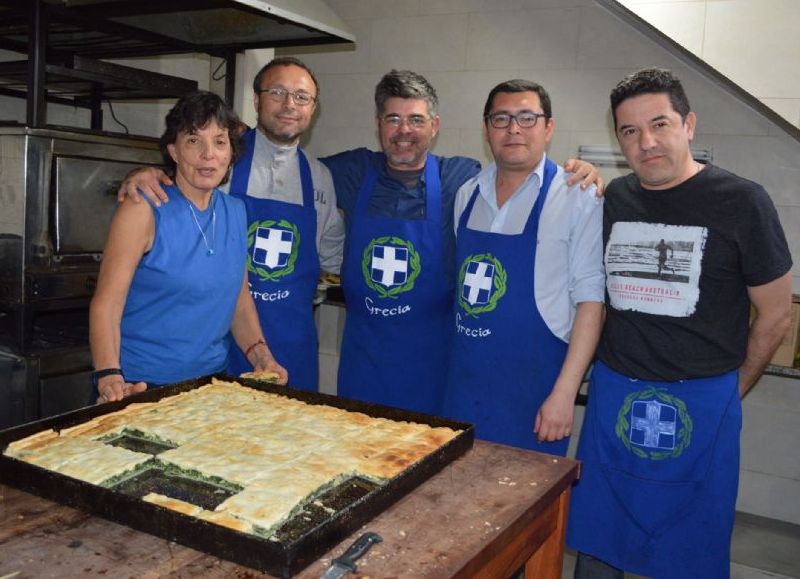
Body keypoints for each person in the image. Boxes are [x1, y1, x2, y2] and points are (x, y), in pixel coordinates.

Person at [567, 68, 793, 579]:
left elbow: (778, 312)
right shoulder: (614, 200)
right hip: (615, 401)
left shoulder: (743, 202)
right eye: (629, 131)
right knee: (599, 550)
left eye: (660, 124)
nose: (646, 142)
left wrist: (732, 389)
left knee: (689, 554)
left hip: (702, 404)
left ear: (688, 125)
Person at [322, 70, 603, 415]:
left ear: (435, 125)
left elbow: (520, 171)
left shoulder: (463, 178)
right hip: (363, 361)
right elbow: (292, 165)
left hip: (435, 367)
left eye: (416, 120)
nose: (404, 131)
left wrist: (587, 172)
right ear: (378, 123)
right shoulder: (351, 170)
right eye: (393, 119)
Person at [116, 57, 344, 392]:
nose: (288, 105)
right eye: (277, 92)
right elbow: (181, 187)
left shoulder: (320, 177)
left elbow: (330, 258)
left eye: (301, 97)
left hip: (291, 347)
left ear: (313, 108)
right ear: (256, 100)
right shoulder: (223, 158)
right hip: (222, 346)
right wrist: (145, 174)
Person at [91, 91, 288, 403]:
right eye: (194, 140)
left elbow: (238, 300)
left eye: (220, 141)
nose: (208, 154)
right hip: (139, 387)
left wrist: (261, 355)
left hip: (209, 388)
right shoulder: (143, 207)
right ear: (174, 150)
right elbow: (107, 305)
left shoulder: (235, 211)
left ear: (231, 152)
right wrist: (108, 376)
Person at [442, 80, 605, 454]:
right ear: (486, 129)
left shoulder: (576, 196)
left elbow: (591, 301)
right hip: (464, 385)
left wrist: (565, 394)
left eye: (527, 118)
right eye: (501, 118)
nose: (513, 129)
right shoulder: (467, 194)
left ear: (548, 128)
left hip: (533, 391)